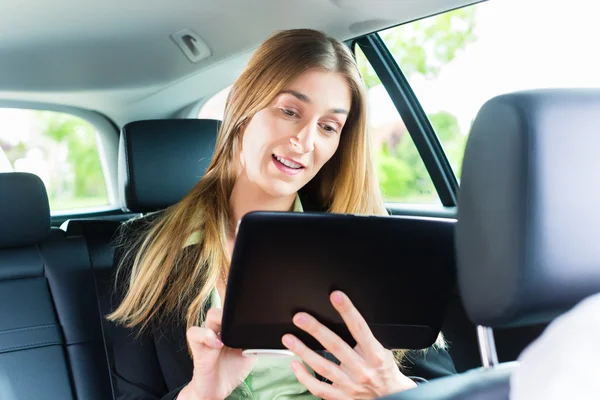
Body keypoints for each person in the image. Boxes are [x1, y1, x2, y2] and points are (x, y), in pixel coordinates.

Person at [107, 28, 456, 400]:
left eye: (328, 126)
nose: (306, 142)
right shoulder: (145, 247)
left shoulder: (371, 245)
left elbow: (449, 387)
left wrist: (391, 390)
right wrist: (201, 393)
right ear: (244, 107)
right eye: (289, 111)